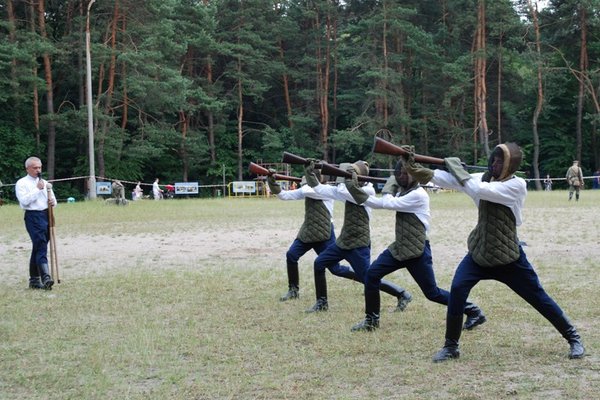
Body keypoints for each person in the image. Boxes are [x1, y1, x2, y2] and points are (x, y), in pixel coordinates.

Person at [402, 143, 585, 361]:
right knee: (458, 291)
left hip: (509, 257)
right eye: (494, 159)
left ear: (510, 165)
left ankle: (573, 337)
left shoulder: (517, 185)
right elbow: (447, 180)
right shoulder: (482, 178)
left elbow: (479, 190)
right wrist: (412, 165)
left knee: (538, 297)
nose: (495, 164)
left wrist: (458, 172)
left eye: (500, 161)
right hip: (479, 252)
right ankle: (451, 347)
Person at [344, 160, 485, 332]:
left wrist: (389, 185)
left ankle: (473, 310)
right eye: (399, 173)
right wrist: (353, 186)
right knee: (371, 275)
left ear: (414, 174)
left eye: (405, 173)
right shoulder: (404, 192)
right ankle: (371, 320)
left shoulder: (418, 195)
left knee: (432, 293)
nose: (402, 176)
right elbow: (376, 202)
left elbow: (386, 204)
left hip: (417, 251)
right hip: (400, 248)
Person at [303, 160, 412, 314]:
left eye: (352, 173)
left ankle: (401, 293)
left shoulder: (368, 191)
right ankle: (322, 302)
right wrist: (310, 173)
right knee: (319, 263)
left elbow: (344, 190)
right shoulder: (349, 190)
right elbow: (319, 189)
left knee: (368, 278)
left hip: (359, 244)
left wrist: (342, 173)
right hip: (344, 241)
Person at [266, 169, 390, 303]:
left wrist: (306, 181)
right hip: (307, 232)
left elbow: (309, 191)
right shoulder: (311, 188)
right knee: (291, 255)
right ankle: (293, 290)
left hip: (324, 235)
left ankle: (366, 280)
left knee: (335, 269)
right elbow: (284, 195)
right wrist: (272, 182)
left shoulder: (324, 191)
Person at [15, 157, 56, 290]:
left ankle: (34, 280)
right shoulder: (22, 183)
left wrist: (52, 202)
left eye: (39, 167)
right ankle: (46, 277)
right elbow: (24, 201)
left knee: (38, 247)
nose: (38, 170)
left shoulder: (44, 182)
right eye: (35, 168)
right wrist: (37, 189)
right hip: (33, 216)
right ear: (27, 168)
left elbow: (54, 200)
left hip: (46, 215)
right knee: (41, 246)